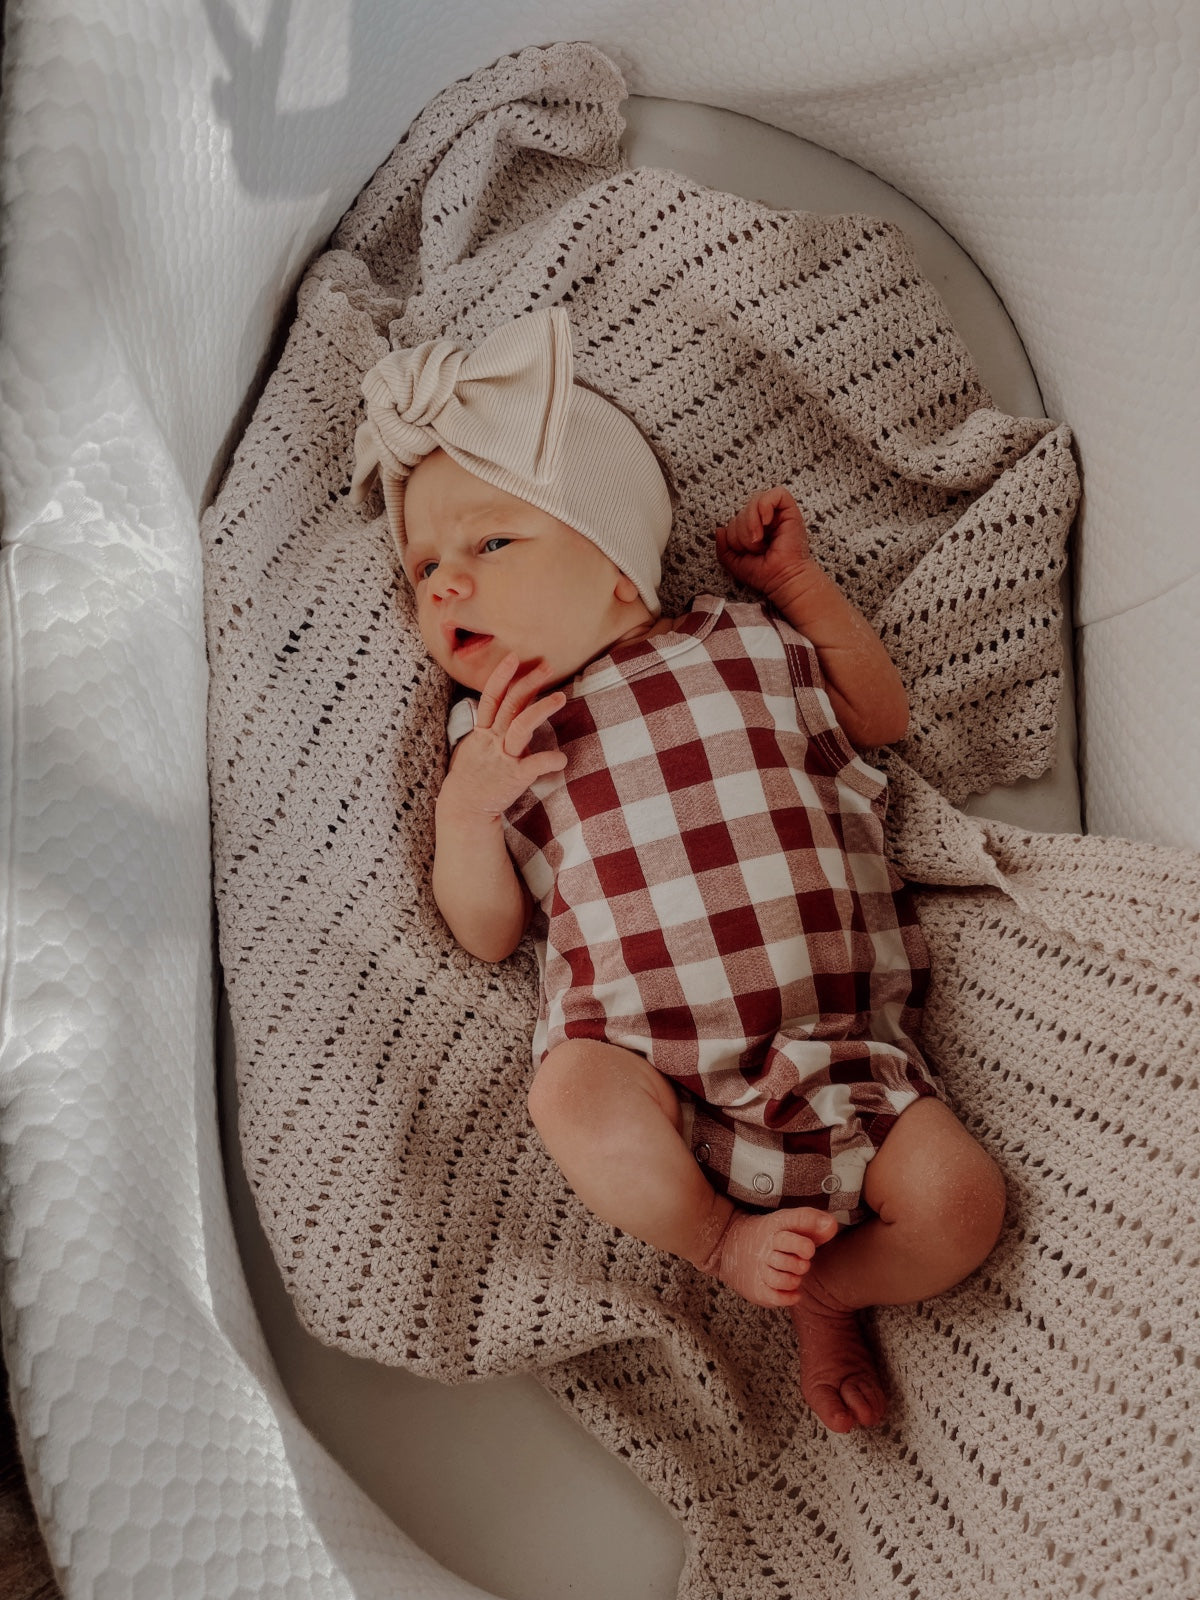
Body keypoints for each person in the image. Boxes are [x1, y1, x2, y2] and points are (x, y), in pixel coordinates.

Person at [350, 306, 1006, 1434]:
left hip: (853, 1063)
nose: (444, 583)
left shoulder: (743, 639)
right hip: (663, 1079)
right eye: (422, 565)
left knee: (963, 1207)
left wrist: (801, 589)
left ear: (615, 564)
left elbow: (877, 714)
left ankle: (826, 1289)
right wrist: (468, 813)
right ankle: (725, 1243)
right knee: (566, 1093)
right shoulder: (494, 741)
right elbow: (490, 932)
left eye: (489, 543)